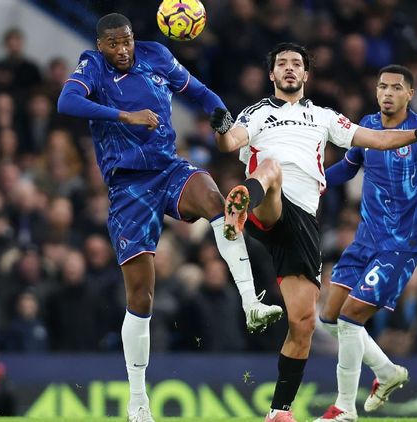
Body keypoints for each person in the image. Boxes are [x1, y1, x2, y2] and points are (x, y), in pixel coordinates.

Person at [56, 13, 283, 422]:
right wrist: (124, 116)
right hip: (129, 186)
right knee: (141, 296)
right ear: (101, 44)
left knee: (218, 202)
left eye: (126, 41)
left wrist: (219, 114)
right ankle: (138, 401)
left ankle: (251, 302)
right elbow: (67, 102)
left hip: (170, 168)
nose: (122, 50)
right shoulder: (92, 65)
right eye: (113, 44)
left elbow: (200, 91)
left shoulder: (156, 54)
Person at [214, 45, 417, 422]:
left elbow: (375, 139)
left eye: (297, 64)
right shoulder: (258, 112)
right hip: (270, 202)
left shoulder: (325, 117)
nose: (290, 69)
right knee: (272, 169)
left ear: (306, 75)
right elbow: (231, 142)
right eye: (282, 64)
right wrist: (220, 127)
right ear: (272, 75)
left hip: (303, 225)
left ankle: (279, 411)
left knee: (304, 323)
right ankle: (242, 206)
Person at [314, 65, 417, 421]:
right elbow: (347, 167)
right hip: (364, 240)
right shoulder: (368, 126)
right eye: (382, 86)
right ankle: (386, 371)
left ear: (409, 94)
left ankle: (344, 408)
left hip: (400, 245)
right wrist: (314, 179)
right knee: (328, 317)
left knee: (351, 316)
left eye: (395, 87)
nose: (387, 92)